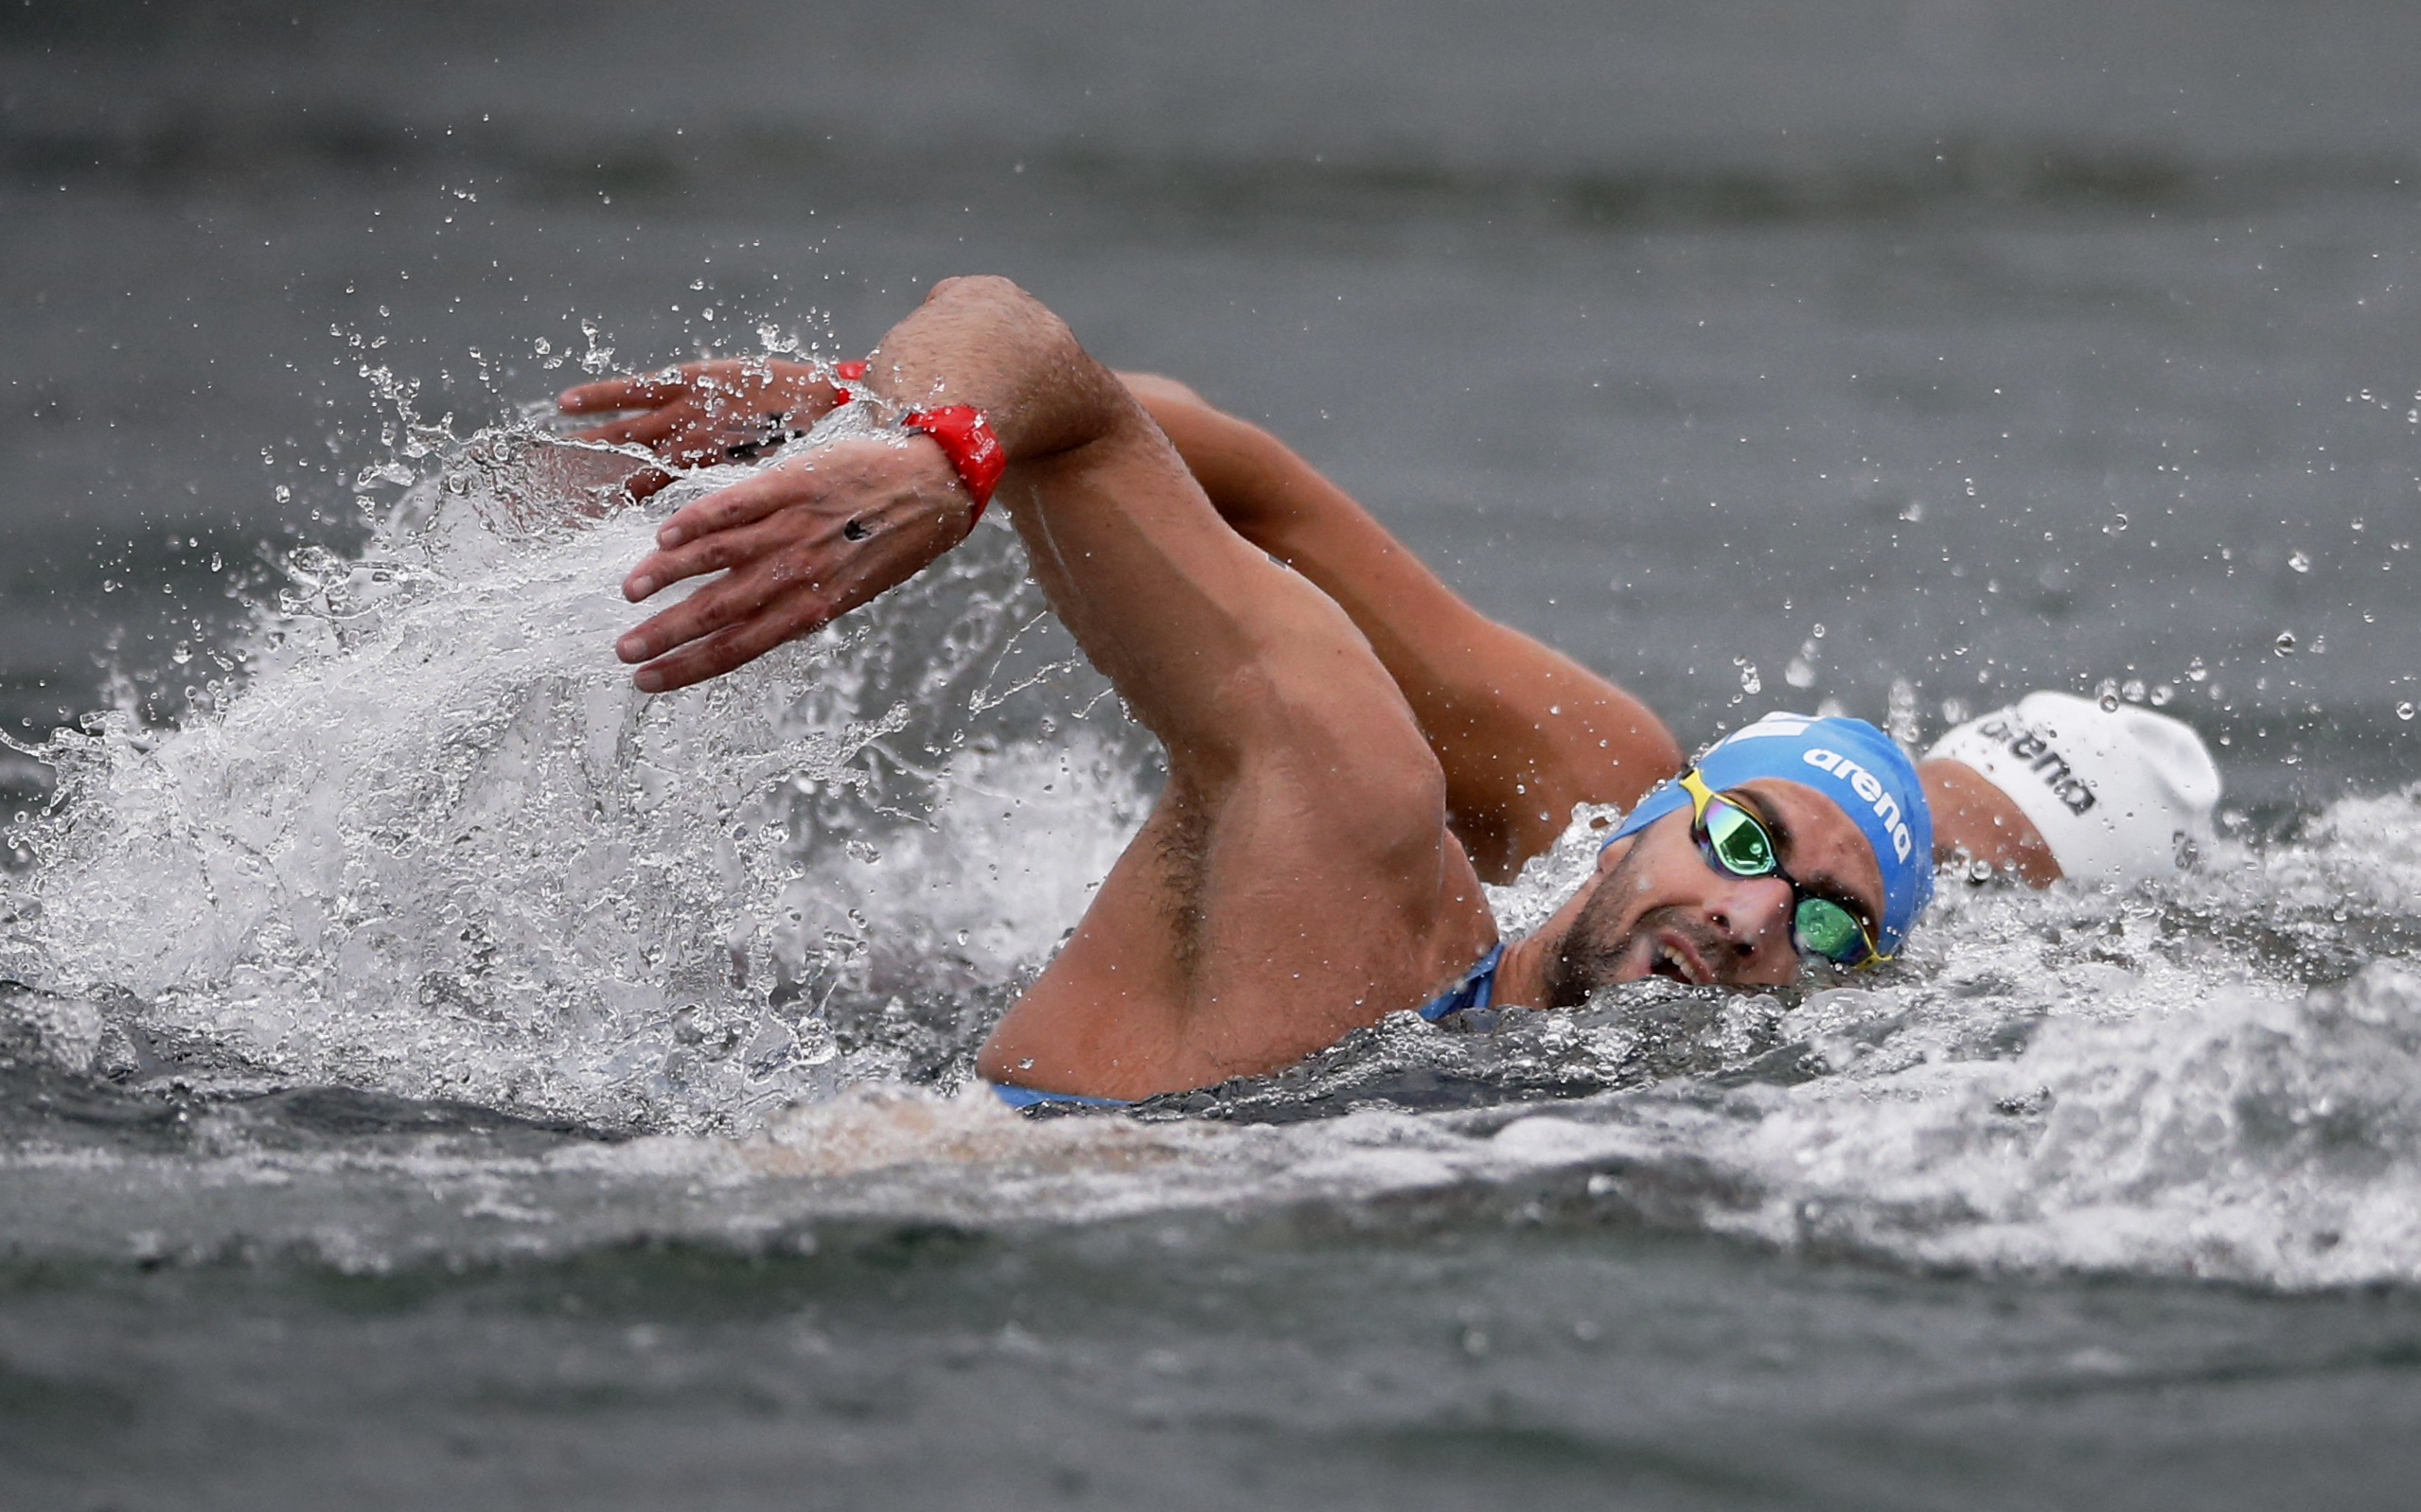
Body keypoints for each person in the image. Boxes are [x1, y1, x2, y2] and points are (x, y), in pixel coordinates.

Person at [557, 275, 2218, 1103]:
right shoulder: (1401, 797)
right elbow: (1119, 411)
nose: (1751, 914)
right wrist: (906, 436)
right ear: (1666, 803)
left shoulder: (1719, 1016)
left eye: (1850, 913)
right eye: (1744, 834)